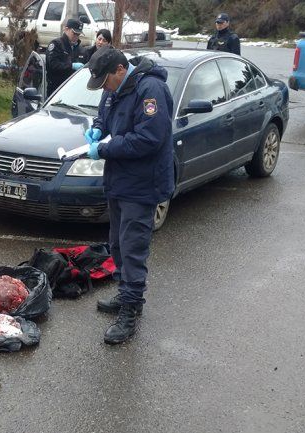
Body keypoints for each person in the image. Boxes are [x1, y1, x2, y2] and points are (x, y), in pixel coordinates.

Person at [84, 48, 174, 344]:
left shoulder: (150, 89)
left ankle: (131, 308)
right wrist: (97, 130)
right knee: (117, 244)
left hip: (142, 182)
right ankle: (125, 294)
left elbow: (149, 138)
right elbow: (105, 115)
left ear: (121, 69)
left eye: (106, 80)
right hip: (120, 179)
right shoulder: (116, 88)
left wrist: (105, 149)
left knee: (133, 246)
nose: (104, 87)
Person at [46, 18, 88, 96]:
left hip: (73, 91)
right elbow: (53, 65)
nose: (76, 37)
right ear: (66, 29)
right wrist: (71, 66)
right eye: (74, 33)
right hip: (56, 89)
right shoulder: (56, 44)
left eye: (78, 34)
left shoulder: (80, 49)